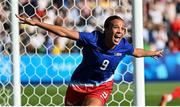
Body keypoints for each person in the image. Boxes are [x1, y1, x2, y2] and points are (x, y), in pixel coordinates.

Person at [16, 15, 163, 106]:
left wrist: (152, 53)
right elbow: (64, 32)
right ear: (106, 29)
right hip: (78, 85)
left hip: (101, 87)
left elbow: (136, 52)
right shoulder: (92, 39)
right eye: (116, 28)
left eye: (123, 29)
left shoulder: (124, 45)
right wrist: (36, 23)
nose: (120, 31)